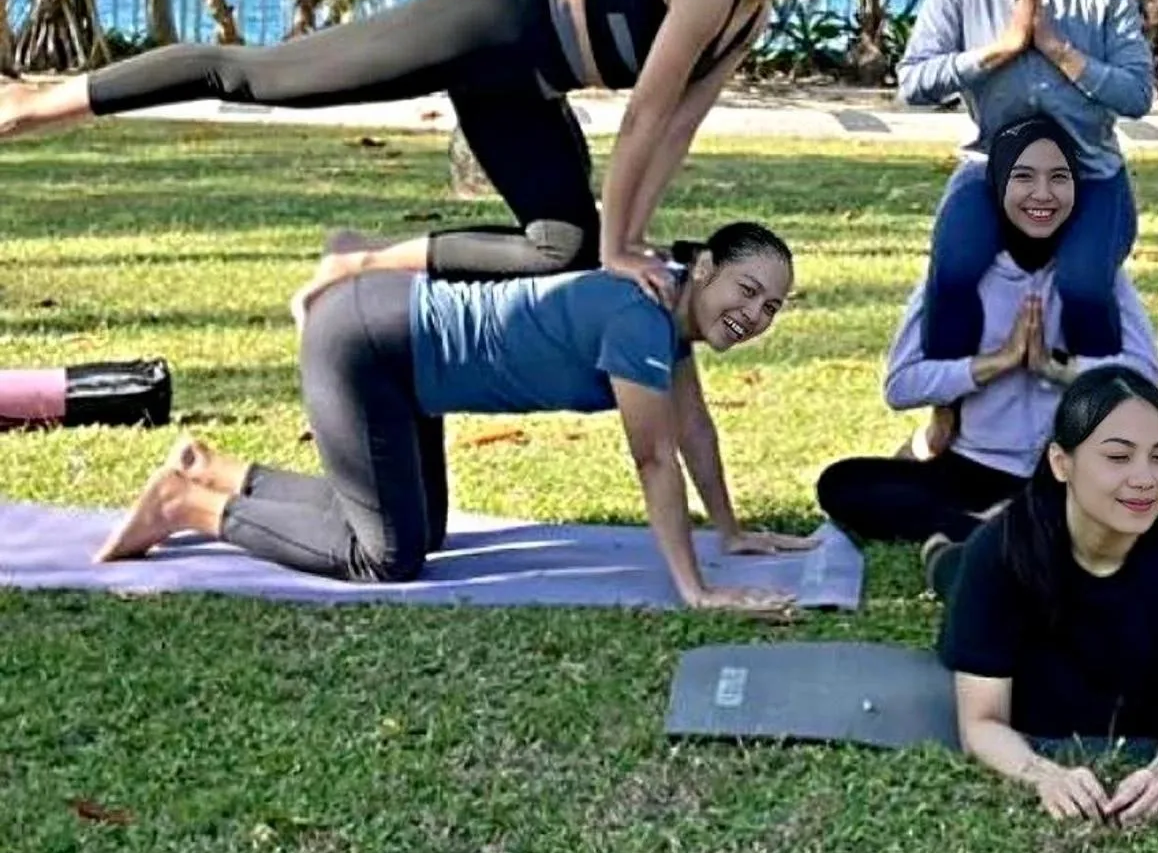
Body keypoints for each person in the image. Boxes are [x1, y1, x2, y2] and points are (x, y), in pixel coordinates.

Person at [0, 0, 871, 290]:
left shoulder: (750, 16)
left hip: (528, 90)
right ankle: (39, 102)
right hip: (488, 29)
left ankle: (357, 261)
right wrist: (623, 248)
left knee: (558, 249)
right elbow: (644, 116)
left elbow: (677, 134)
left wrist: (624, 244)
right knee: (253, 76)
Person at [94, 222, 815, 614]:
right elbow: (654, 458)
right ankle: (186, 505)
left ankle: (214, 469)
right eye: (748, 290)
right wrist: (696, 589)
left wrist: (731, 529)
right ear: (710, 264)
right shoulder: (641, 315)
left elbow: (693, 430)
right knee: (385, 558)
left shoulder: (669, 310)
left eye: (771, 309)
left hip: (401, 354)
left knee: (422, 530)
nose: (752, 316)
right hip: (370, 344)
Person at [816, 116, 1158, 559]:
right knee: (842, 484)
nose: (1042, 195)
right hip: (975, 468)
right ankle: (996, 529)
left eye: (1059, 178)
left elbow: (1147, 381)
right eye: (1024, 177)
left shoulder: (1098, 278)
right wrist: (995, 363)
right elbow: (901, 384)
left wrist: (1060, 371)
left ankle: (1001, 530)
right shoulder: (957, 276)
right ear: (998, 187)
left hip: (1065, 471)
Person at [934, 365, 1158, 826]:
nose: (1144, 479)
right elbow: (980, 723)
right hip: (995, 556)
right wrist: (1044, 775)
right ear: (1062, 462)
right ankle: (937, 551)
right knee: (955, 570)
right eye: (1118, 457)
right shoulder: (999, 553)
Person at [898, 0, 1152, 357]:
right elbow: (913, 82)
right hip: (990, 168)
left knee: (1083, 285)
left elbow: (1137, 95)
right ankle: (953, 413)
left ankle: (1102, 417)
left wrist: (1062, 52)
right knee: (953, 271)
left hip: (1090, 171)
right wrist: (1001, 49)